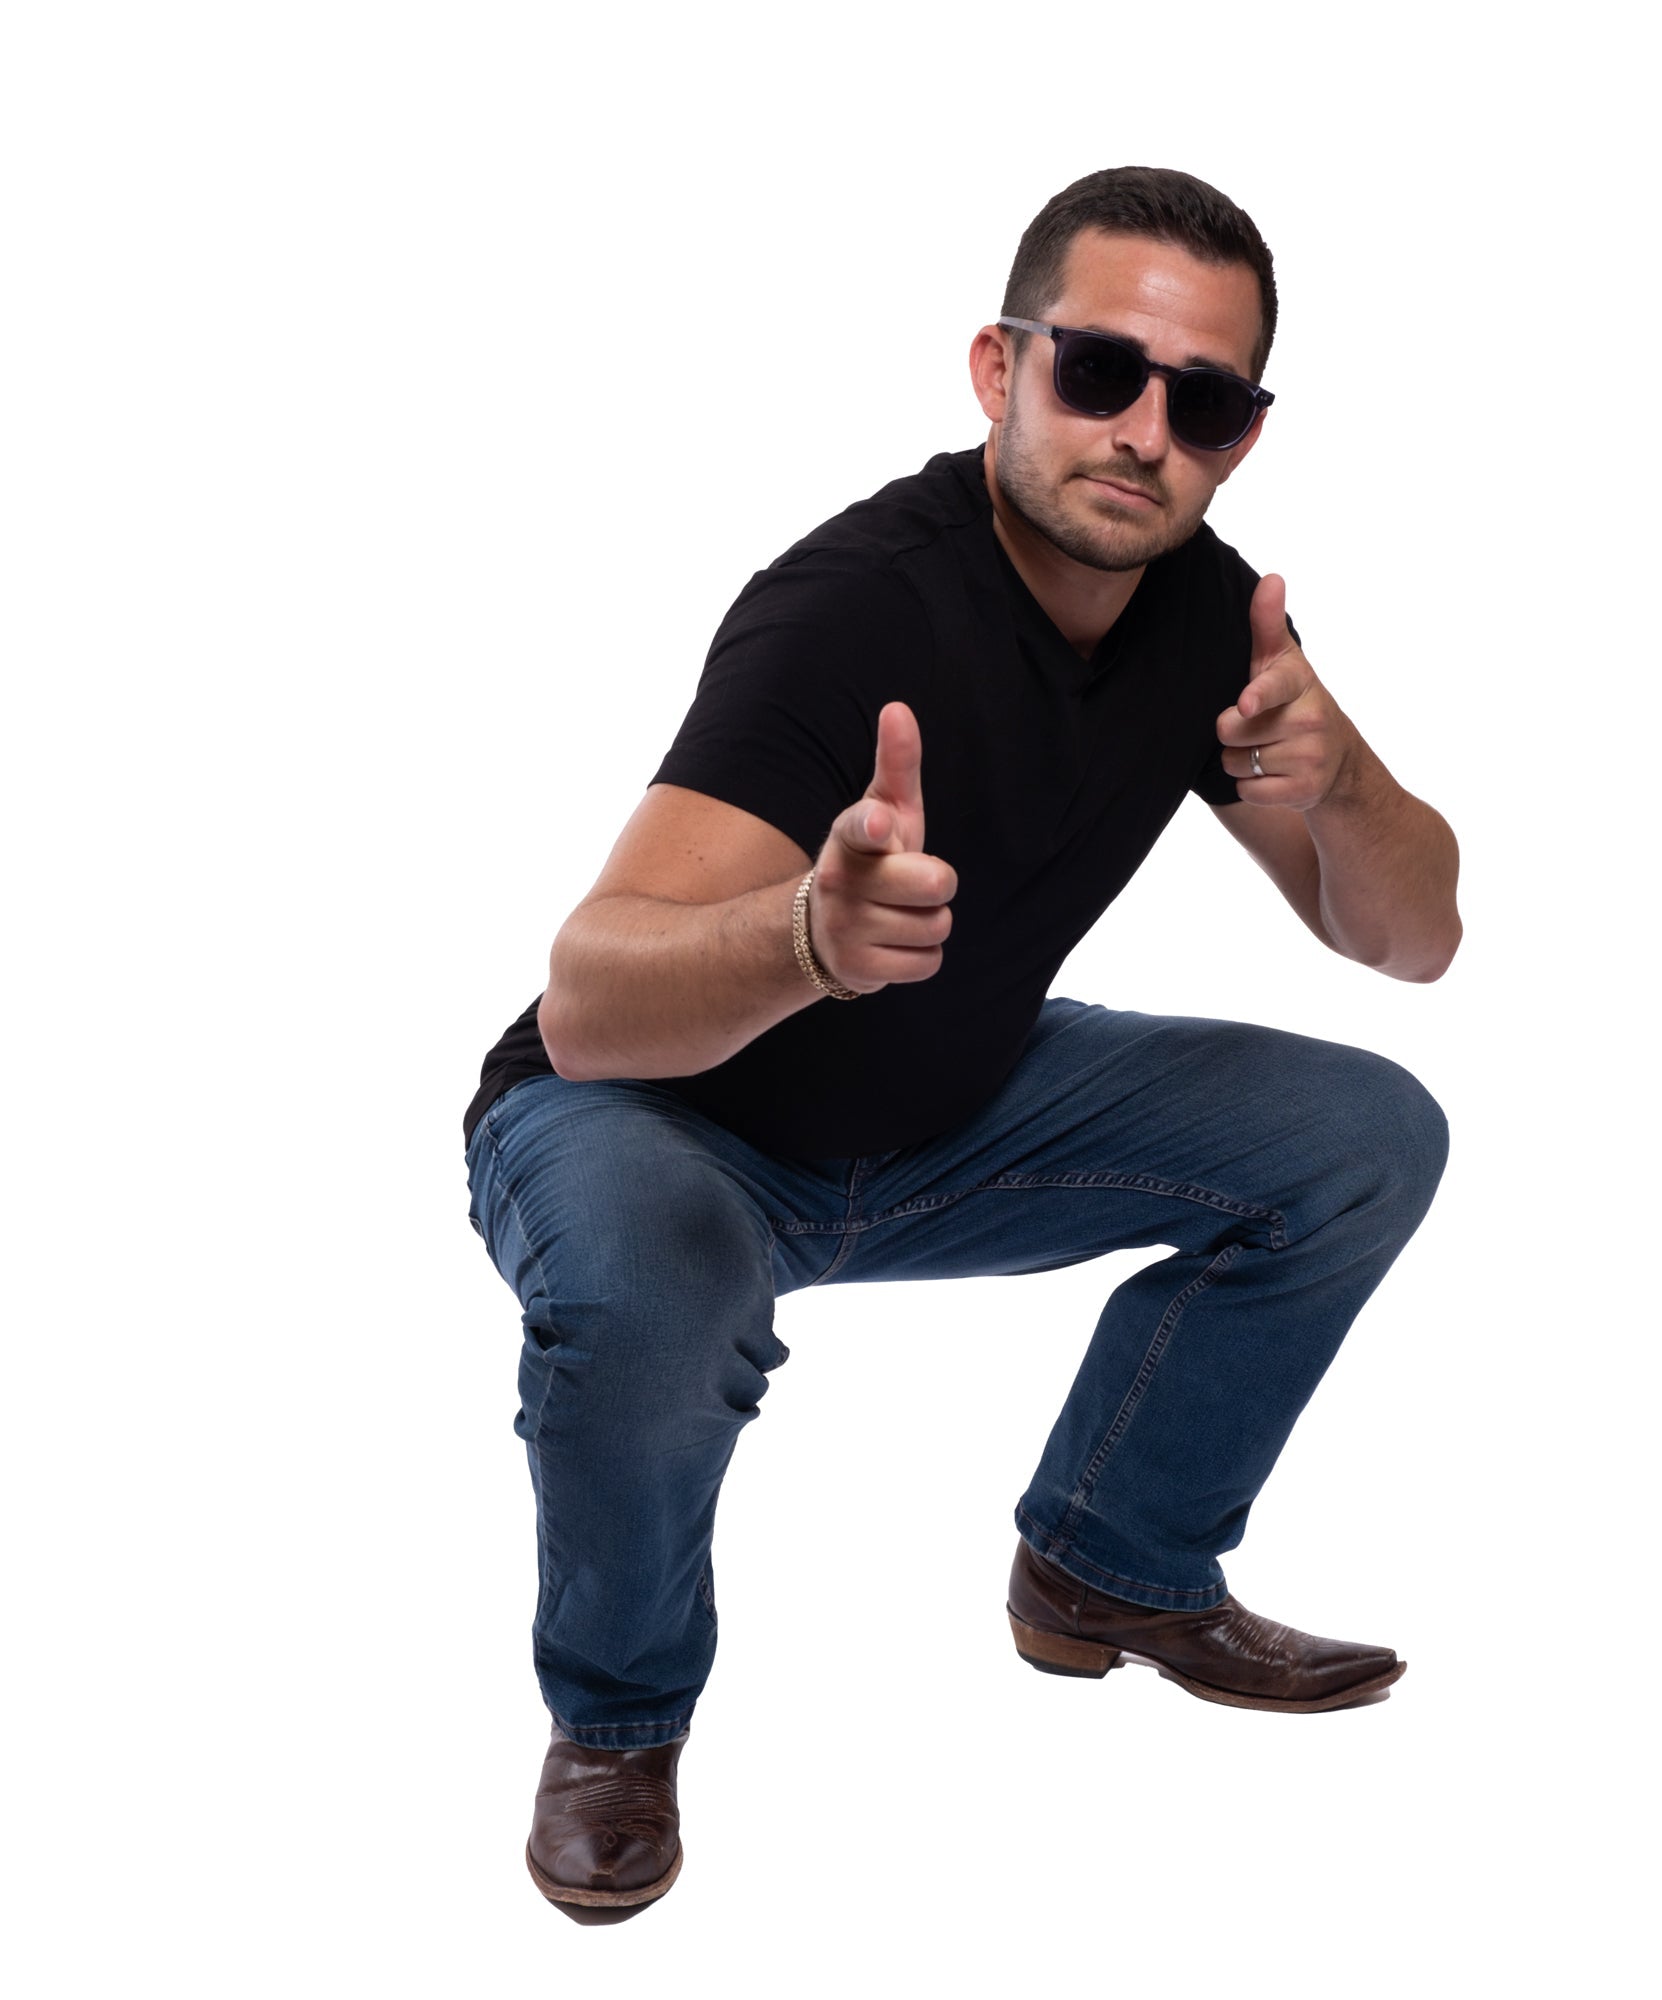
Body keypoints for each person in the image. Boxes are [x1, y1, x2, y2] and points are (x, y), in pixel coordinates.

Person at [463, 165, 1461, 1921]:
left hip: (947, 1116)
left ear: (1243, 437)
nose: (1144, 431)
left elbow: (1412, 939)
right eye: (1101, 370)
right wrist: (805, 939)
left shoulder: (1209, 617)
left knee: (1365, 1134)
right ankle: (617, 1721)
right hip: (660, 1123)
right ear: (1000, 368)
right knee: (650, 1295)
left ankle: (1111, 1567)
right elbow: (587, 1004)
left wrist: (1342, 781)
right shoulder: (853, 608)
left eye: (1204, 401)